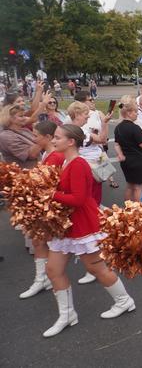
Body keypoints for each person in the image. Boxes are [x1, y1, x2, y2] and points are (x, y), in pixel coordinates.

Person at [44, 124, 135, 338]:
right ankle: (67, 315)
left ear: (71, 142)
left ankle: (124, 301)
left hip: (83, 224)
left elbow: (78, 198)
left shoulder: (78, 164)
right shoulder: (64, 160)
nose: (54, 141)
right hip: (67, 225)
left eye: (57, 138)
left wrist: (50, 195)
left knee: (97, 269)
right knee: (53, 270)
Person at [18, 120, 64, 299]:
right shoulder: (47, 154)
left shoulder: (55, 157)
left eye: (36, 135)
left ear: (48, 137)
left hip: (51, 207)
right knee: (39, 242)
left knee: (51, 244)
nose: (33, 137)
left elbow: (48, 185)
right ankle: (41, 278)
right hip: (45, 206)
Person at [113, 96, 142, 202]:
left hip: (126, 161)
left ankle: (128, 207)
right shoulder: (134, 128)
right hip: (138, 161)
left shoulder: (118, 127)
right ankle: (138, 209)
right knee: (138, 187)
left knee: (129, 185)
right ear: (129, 113)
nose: (137, 114)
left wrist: (120, 155)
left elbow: (116, 144)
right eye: (136, 112)